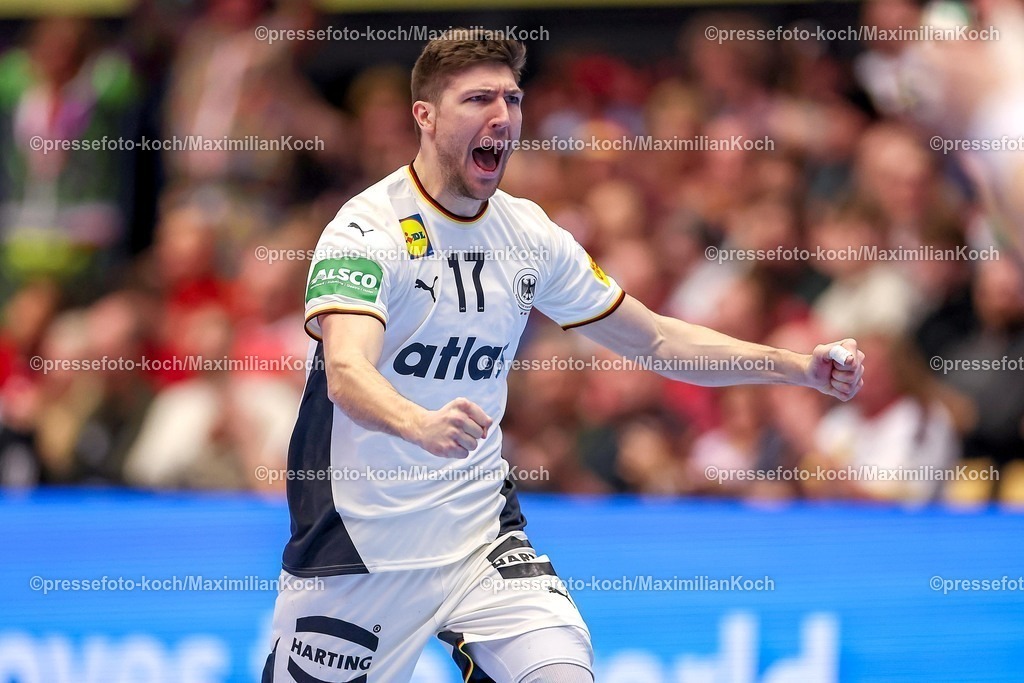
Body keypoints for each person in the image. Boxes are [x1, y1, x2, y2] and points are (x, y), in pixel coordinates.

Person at [263, 30, 864, 683]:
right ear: (425, 116)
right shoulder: (366, 229)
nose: (502, 117)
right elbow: (348, 370)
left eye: (512, 99)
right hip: (357, 545)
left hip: (478, 534)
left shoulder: (528, 233)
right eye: (477, 99)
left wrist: (796, 364)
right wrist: (418, 423)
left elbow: (657, 339)